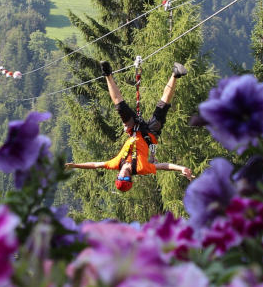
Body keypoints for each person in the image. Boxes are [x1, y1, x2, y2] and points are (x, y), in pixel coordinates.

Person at [65, 60, 195, 192]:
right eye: (127, 179)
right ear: (130, 179)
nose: (124, 175)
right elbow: (164, 166)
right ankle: (175, 74)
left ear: (118, 176)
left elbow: (95, 165)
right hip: (149, 134)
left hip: (132, 129)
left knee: (120, 106)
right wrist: (181, 168)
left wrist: (75, 165)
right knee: (163, 106)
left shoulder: (115, 164)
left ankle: (107, 74)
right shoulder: (140, 168)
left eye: (121, 178)